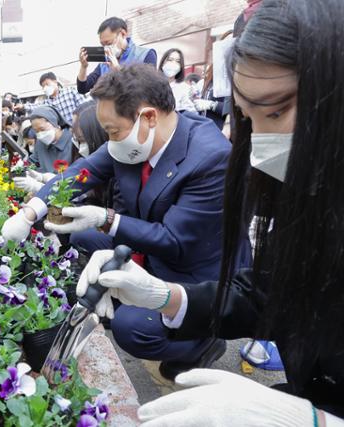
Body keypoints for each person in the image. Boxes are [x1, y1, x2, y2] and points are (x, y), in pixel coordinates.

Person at [78, 0, 344, 424]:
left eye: (276, 110)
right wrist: (168, 298)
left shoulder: (205, 156)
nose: (259, 144)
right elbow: (267, 295)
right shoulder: (307, 200)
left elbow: (175, 239)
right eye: (248, 118)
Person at [3, 64, 252, 377]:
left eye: (112, 131)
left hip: (191, 267)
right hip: (149, 245)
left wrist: (106, 219)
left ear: (148, 117)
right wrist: (31, 212)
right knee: (82, 239)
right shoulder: (132, 143)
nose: (109, 140)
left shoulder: (210, 158)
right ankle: (133, 296)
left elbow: (173, 241)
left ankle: (202, 341)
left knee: (130, 328)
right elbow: (80, 174)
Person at [76, 17, 157, 95]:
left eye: (109, 43)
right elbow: (82, 88)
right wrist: (83, 67)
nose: (106, 48)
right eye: (103, 45)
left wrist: (118, 71)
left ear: (123, 34)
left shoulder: (146, 55)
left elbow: (149, 90)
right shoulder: (105, 63)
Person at [20, 72, 87, 126]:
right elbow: (35, 106)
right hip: (67, 135)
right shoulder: (46, 103)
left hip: (81, 128)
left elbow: (84, 107)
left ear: (55, 82)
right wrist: (23, 106)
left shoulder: (70, 91)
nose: (45, 88)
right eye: (43, 86)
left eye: (47, 84)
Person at [27, 106, 73, 174]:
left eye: (42, 129)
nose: (40, 134)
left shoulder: (72, 141)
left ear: (54, 123)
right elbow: (32, 162)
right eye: (36, 131)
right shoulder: (40, 143)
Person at [159, 49, 196, 113]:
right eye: (170, 60)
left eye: (178, 61)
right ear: (162, 63)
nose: (173, 63)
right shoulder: (152, 84)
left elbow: (191, 114)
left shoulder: (185, 88)